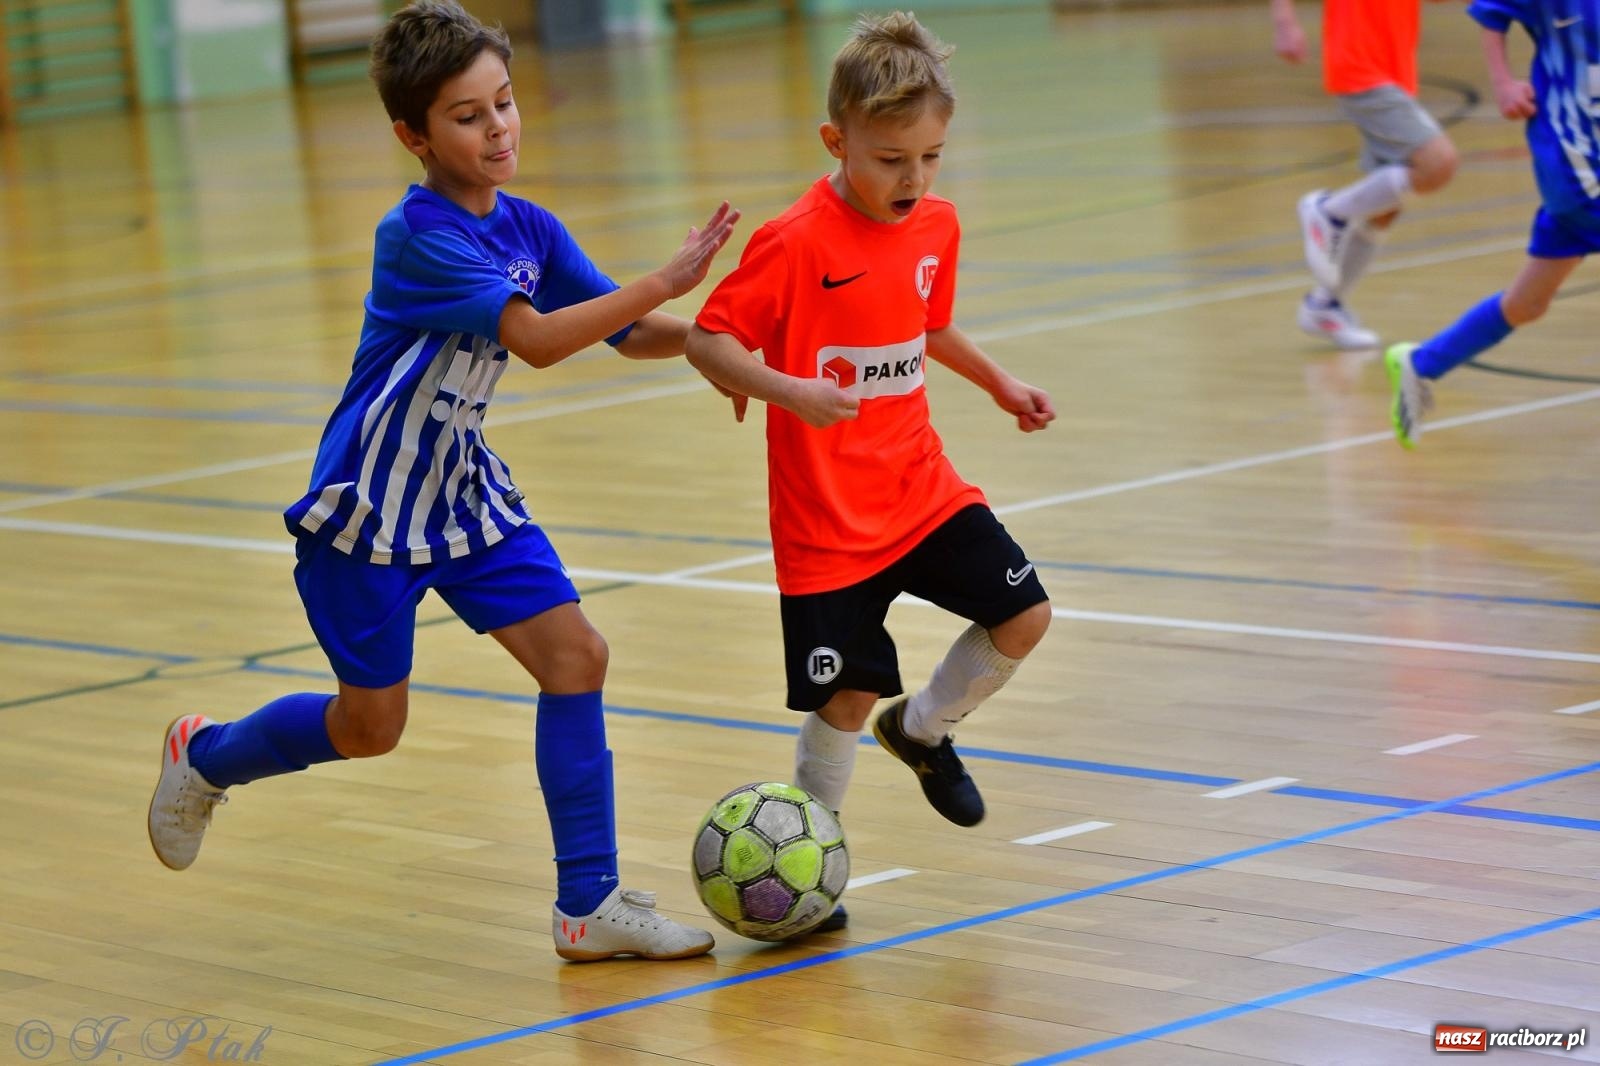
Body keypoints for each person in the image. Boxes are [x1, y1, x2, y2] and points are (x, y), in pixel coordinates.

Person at [146, 0, 741, 963]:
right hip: (371, 509)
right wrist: (667, 281)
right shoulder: (418, 235)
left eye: (504, 102)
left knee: (576, 658)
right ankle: (206, 755)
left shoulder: (528, 226)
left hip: (463, 495)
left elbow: (627, 329)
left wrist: (728, 346)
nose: (498, 127)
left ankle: (587, 904)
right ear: (412, 136)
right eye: (468, 116)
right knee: (370, 726)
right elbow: (538, 339)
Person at [685, 12, 1055, 933]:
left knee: (1026, 614)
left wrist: (1001, 382)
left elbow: (928, 324)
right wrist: (787, 391)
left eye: (930, 157)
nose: (914, 179)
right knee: (845, 696)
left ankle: (924, 729)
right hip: (825, 521)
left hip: (920, 490)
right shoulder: (795, 240)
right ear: (836, 141)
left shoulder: (937, 225)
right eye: (891, 159)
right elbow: (708, 340)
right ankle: (807, 883)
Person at [1384, 0, 1599, 447]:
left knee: (1528, 304)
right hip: (1571, 159)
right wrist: (1502, 84)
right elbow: (1492, 11)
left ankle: (1422, 364)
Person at [1271, 0, 1460, 348]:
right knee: (1437, 163)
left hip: (1395, 67)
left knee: (1384, 210)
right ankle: (1328, 211)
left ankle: (1325, 306)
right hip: (1360, 62)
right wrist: (1284, 21)